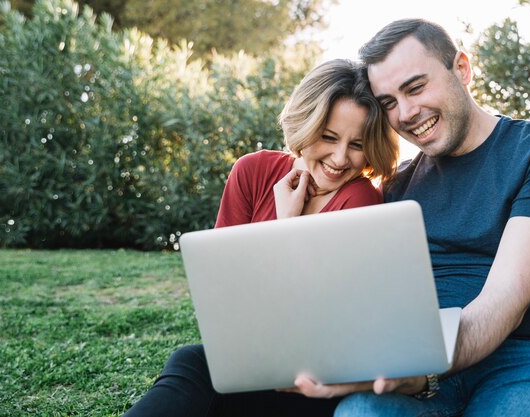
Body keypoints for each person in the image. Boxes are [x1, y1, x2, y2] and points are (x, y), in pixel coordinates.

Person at [286, 19, 530, 417]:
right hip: (423, 360)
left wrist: (419, 372)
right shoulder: (397, 187)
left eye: (416, 88)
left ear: (462, 68)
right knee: (361, 412)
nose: (407, 113)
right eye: (388, 103)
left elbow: (504, 303)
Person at [121, 58, 399, 417]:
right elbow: (225, 295)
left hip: (317, 380)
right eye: (328, 137)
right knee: (191, 360)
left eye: (357, 144)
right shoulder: (252, 171)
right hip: (252, 358)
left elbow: (318, 316)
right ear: (304, 124)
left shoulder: (360, 199)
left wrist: (285, 225)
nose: (340, 157)